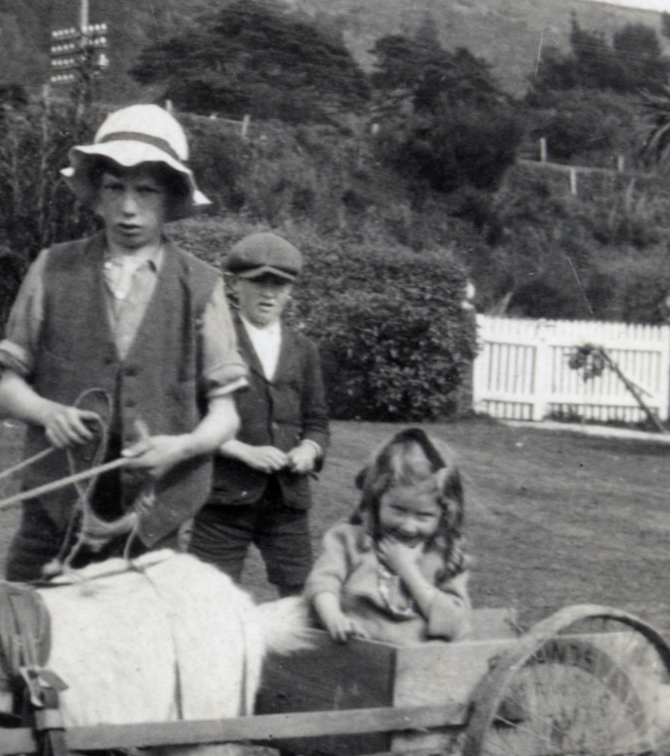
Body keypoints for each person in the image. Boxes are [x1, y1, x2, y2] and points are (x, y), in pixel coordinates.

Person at [0, 104, 246, 582]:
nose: (129, 208)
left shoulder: (202, 287)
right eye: (115, 189)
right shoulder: (52, 269)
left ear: (170, 198)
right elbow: (8, 387)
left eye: (145, 191)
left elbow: (226, 413)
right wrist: (48, 413)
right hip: (55, 507)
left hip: (153, 518)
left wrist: (182, 446)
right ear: (96, 194)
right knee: (25, 631)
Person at [187, 229, 329, 593]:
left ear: (290, 291)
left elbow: (317, 422)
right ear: (236, 286)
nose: (268, 293)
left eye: (279, 285)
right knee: (207, 595)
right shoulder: (214, 339)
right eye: (258, 282)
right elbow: (189, 417)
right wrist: (242, 451)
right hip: (224, 496)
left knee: (301, 594)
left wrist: (307, 451)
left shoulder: (304, 350)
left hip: (286, 500)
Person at [305, 425, 471, 644]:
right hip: (353, 656)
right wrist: (334, 617)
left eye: (423, 516)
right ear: (376, 501)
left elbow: (455, 626)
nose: (408, 526)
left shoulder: (444, 555)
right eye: (398, 510)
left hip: (418, 666)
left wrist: (408, 570)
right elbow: (323, 583)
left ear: (444, 515)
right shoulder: (349, 540)